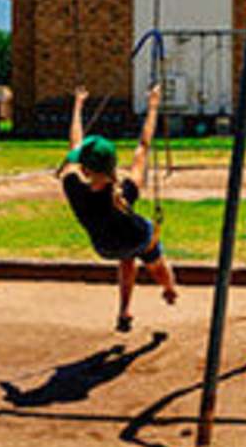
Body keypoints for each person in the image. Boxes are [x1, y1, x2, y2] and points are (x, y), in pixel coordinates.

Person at [61, 85, 178, 332]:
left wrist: (78, 106)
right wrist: (153, 105)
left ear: (84, 168)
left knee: (126, 258)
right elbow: (144, 146)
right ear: (113, 164)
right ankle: (168, 289)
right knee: (154, 258)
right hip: (137, 237)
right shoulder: (125, 191)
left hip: (105, 247)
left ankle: (125, 311)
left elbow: (74, 144)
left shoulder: (73, 188)